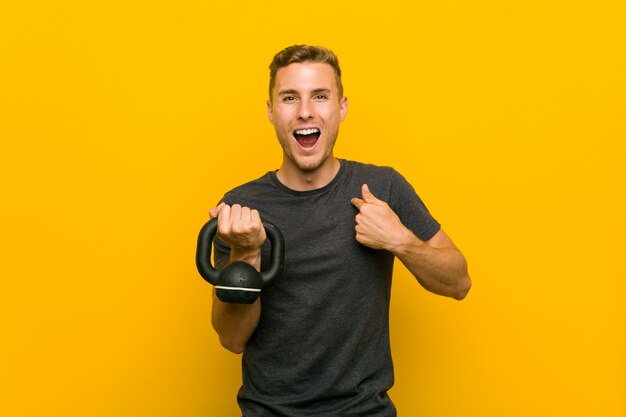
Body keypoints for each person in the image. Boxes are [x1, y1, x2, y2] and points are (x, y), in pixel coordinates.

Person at [206, 45, 471, 416]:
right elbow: (232, 339)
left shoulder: (384, 187)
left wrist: (399, 240)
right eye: (289, 98)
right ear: (270, 111)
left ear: (341, 108)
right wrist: (247, 254)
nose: (304, 111)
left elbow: (458, 282)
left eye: (319, 96)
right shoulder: (240, 210)